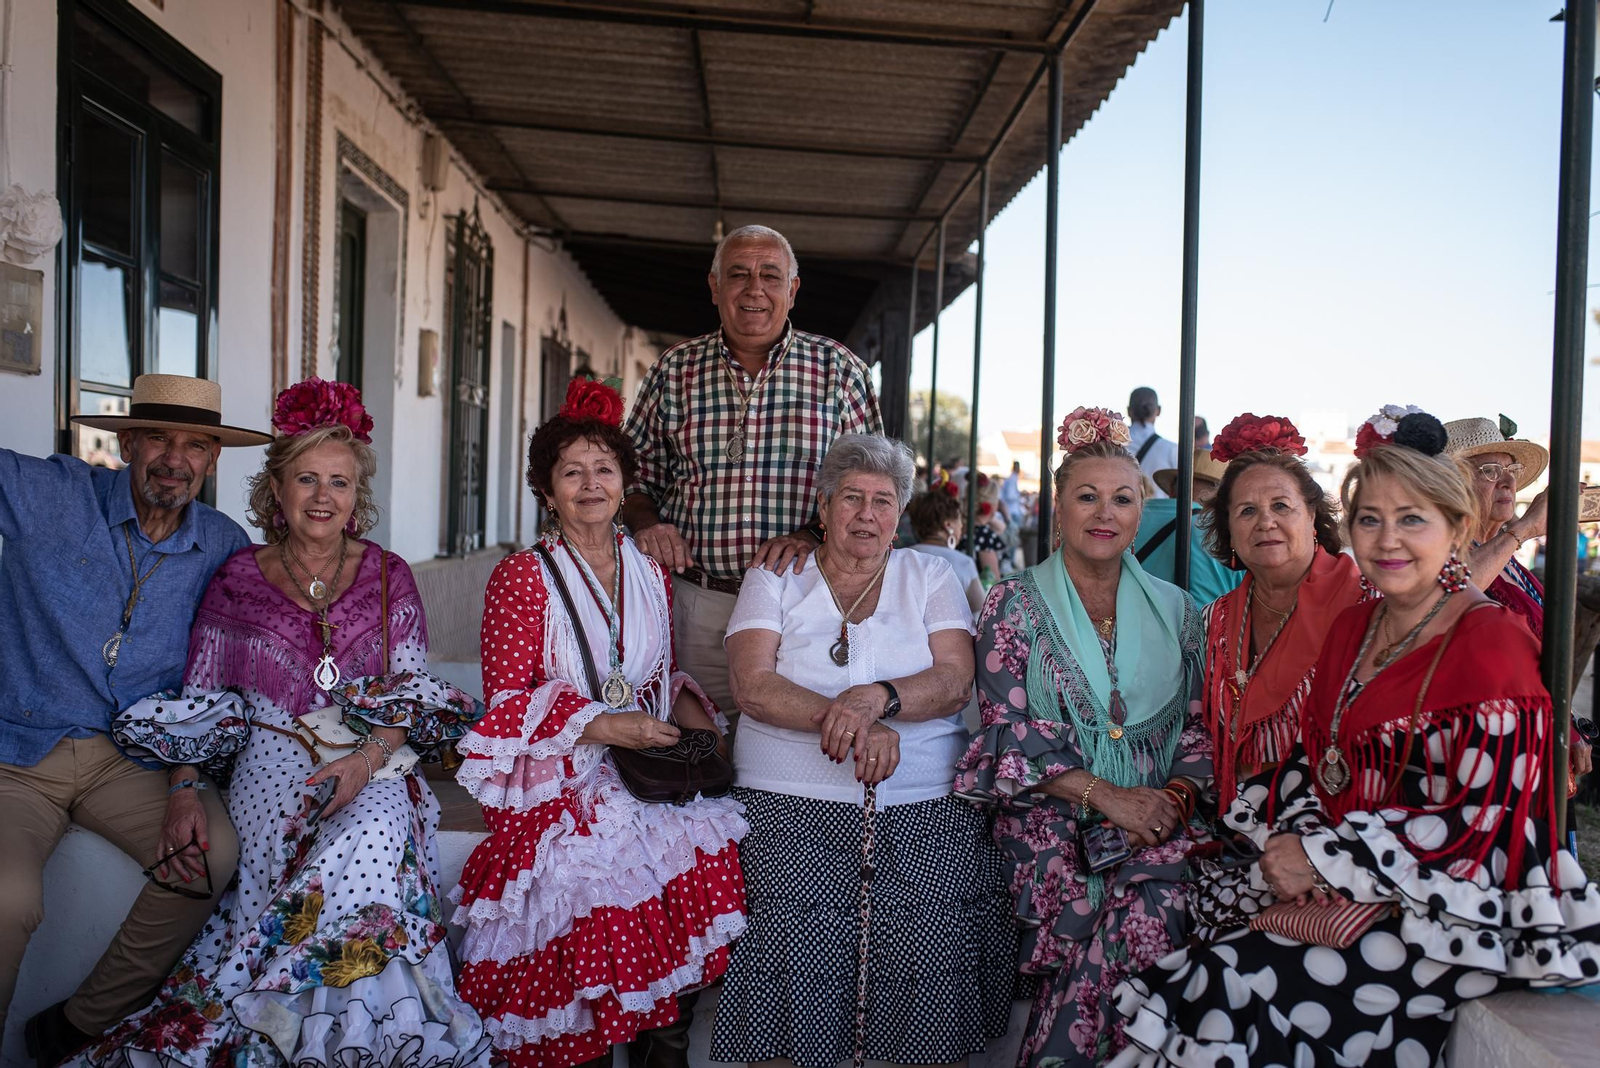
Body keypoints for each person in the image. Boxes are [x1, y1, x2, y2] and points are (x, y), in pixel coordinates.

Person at [1109, 407, 1600, 1068]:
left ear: (1456, 528)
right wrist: (1294, 842)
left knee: (1226, 983)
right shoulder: (1354, 631)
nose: (1389, 539)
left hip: (1462, 915)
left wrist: (1329, 860)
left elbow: (1495, 824)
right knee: (1194, 955)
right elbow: (1321, 764)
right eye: (1371, 519)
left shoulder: (1490, 642)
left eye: (1413, 519)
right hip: (1368, 883)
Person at [72, 378, 489, 1067]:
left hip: (369, 751)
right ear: (277, 489)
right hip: (267, 755)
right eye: (306, 479)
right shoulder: (237, 574)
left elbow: (411, 696)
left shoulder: (389, 576)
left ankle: (344, 1036)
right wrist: (183, 788)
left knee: (378, 825)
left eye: (340, 482)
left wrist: (363, 761)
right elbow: (201, 695)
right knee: (292, 828)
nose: (323, 497)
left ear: (359, 496)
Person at [453, 378, 747, 1068]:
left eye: (604, 470)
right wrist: (607, 729)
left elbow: (653, 676)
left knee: (697, 857)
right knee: (582, 883)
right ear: (547, 492)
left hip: (641, 767)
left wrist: (689, 714)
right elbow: (504, 702)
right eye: (571, 472)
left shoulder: (651, 572)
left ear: (624, 484)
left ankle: (660, 1051)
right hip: (558, 773)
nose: (590, 484)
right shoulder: (523, 576)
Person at [711, 433, 1014, 1068]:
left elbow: (956, 678)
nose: (867, 514)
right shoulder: (777, 575)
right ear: (822, 508)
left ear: (900, 514)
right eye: (852, 497)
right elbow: (753, 685)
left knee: (929, 940)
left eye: (883, 501)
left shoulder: (928, 574)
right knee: (793, 944)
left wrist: (876, 698)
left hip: (920, 798)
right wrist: (846, 717)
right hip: (786, 799)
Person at [0, 374, 267, 1063]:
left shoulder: (224, 545)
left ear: (212, 460)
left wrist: (185, 782)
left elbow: (215, 679)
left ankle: (79, 1023)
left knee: (211, 859)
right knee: (6, 898)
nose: (175, 458)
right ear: (125, 442)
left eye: (196, 444)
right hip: (20, 752)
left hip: (135, 761)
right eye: (158, 438)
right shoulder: (54, 493)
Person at [956, 406, 1211, 1068]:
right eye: (1087, 496)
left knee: (1154, 894)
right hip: (1049, 815)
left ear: (1139, 512)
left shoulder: (1180, 611)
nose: (1105, 512)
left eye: (1122, 499)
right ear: (1059, 506)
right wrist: (1110, 799)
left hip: (1159, 815)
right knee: (1129, 910)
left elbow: (1200, 726)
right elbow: (1006, 736)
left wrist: (1166, 804)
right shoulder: (1013, 606)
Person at [621, 224, 883, 720]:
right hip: (698, 602)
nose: (754, 289)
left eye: (770, 275)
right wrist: (646, 524)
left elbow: (871, 487)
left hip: (803, 599)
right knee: (697, 755)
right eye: (738, 274)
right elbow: (632, 476)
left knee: (786, 748)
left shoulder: (839, 371)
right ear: (715, 286)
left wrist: (812, 531)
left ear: (793, 289)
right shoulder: (674, 371)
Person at [1194, 413, 1363, 810]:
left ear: (1313, 517)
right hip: (1233, 827)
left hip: (1338, 827)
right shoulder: (1214, 620)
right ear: (1230, 531)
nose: (1265, 521)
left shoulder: (1368, 604)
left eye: (1281, 506)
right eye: (1247, 511)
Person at [1444, 414, 1551, 636]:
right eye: (1491, 470)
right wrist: (1526, 527)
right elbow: (1451, 595)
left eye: (1512, 471)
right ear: (1454, 484)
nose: (1509, 483)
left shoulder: (1507, 559)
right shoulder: (1440, 553)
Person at [1136, 448, 1240, 605]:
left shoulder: (1129, 517)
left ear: (1172, 489)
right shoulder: (1225, 531)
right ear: (1223, 498)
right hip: (1201, 626)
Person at [905, 484, 985, 613]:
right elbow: (980, 611)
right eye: (959, 520)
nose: (961, 526)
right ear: (948, 525)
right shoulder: (964, 562)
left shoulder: (903, 555)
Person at [1127, 387, 1179, 498]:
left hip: (1118, 512)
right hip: (1162, 514)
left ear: (1129, 411)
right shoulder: (1172, 450)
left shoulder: (1112, 445)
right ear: (1158, 410)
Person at [1002, 459, 1024, 525]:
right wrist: (1019, 495)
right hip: (1012, 511)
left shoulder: (1013, 479)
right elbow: (1010, 496)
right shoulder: (1012, 479)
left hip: (1012, 510)